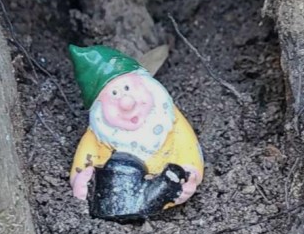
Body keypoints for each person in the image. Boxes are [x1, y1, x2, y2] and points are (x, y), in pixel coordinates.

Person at [68, 44, 203, 220]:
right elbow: (83, 163)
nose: (126, 103)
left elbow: (188, 148)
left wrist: (189, 174)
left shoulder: (169, 121)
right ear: (99, 110)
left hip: (165, 190)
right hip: (115, 201)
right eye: (114, 94)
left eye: (127, 88)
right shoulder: (98, 137)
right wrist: (82, 182)